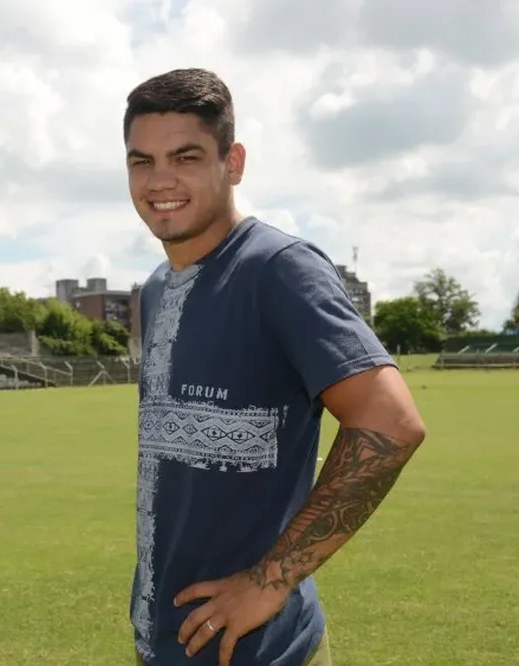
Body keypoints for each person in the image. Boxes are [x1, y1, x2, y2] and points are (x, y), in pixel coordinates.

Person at [123, 68, 427, 666]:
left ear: (232, 162)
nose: (160, 181)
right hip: (165, 643)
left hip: (262, 651)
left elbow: (391, 422)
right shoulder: (157, 287)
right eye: (141, 161)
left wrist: (270, 579)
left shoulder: (279, 269)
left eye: (185, 157)